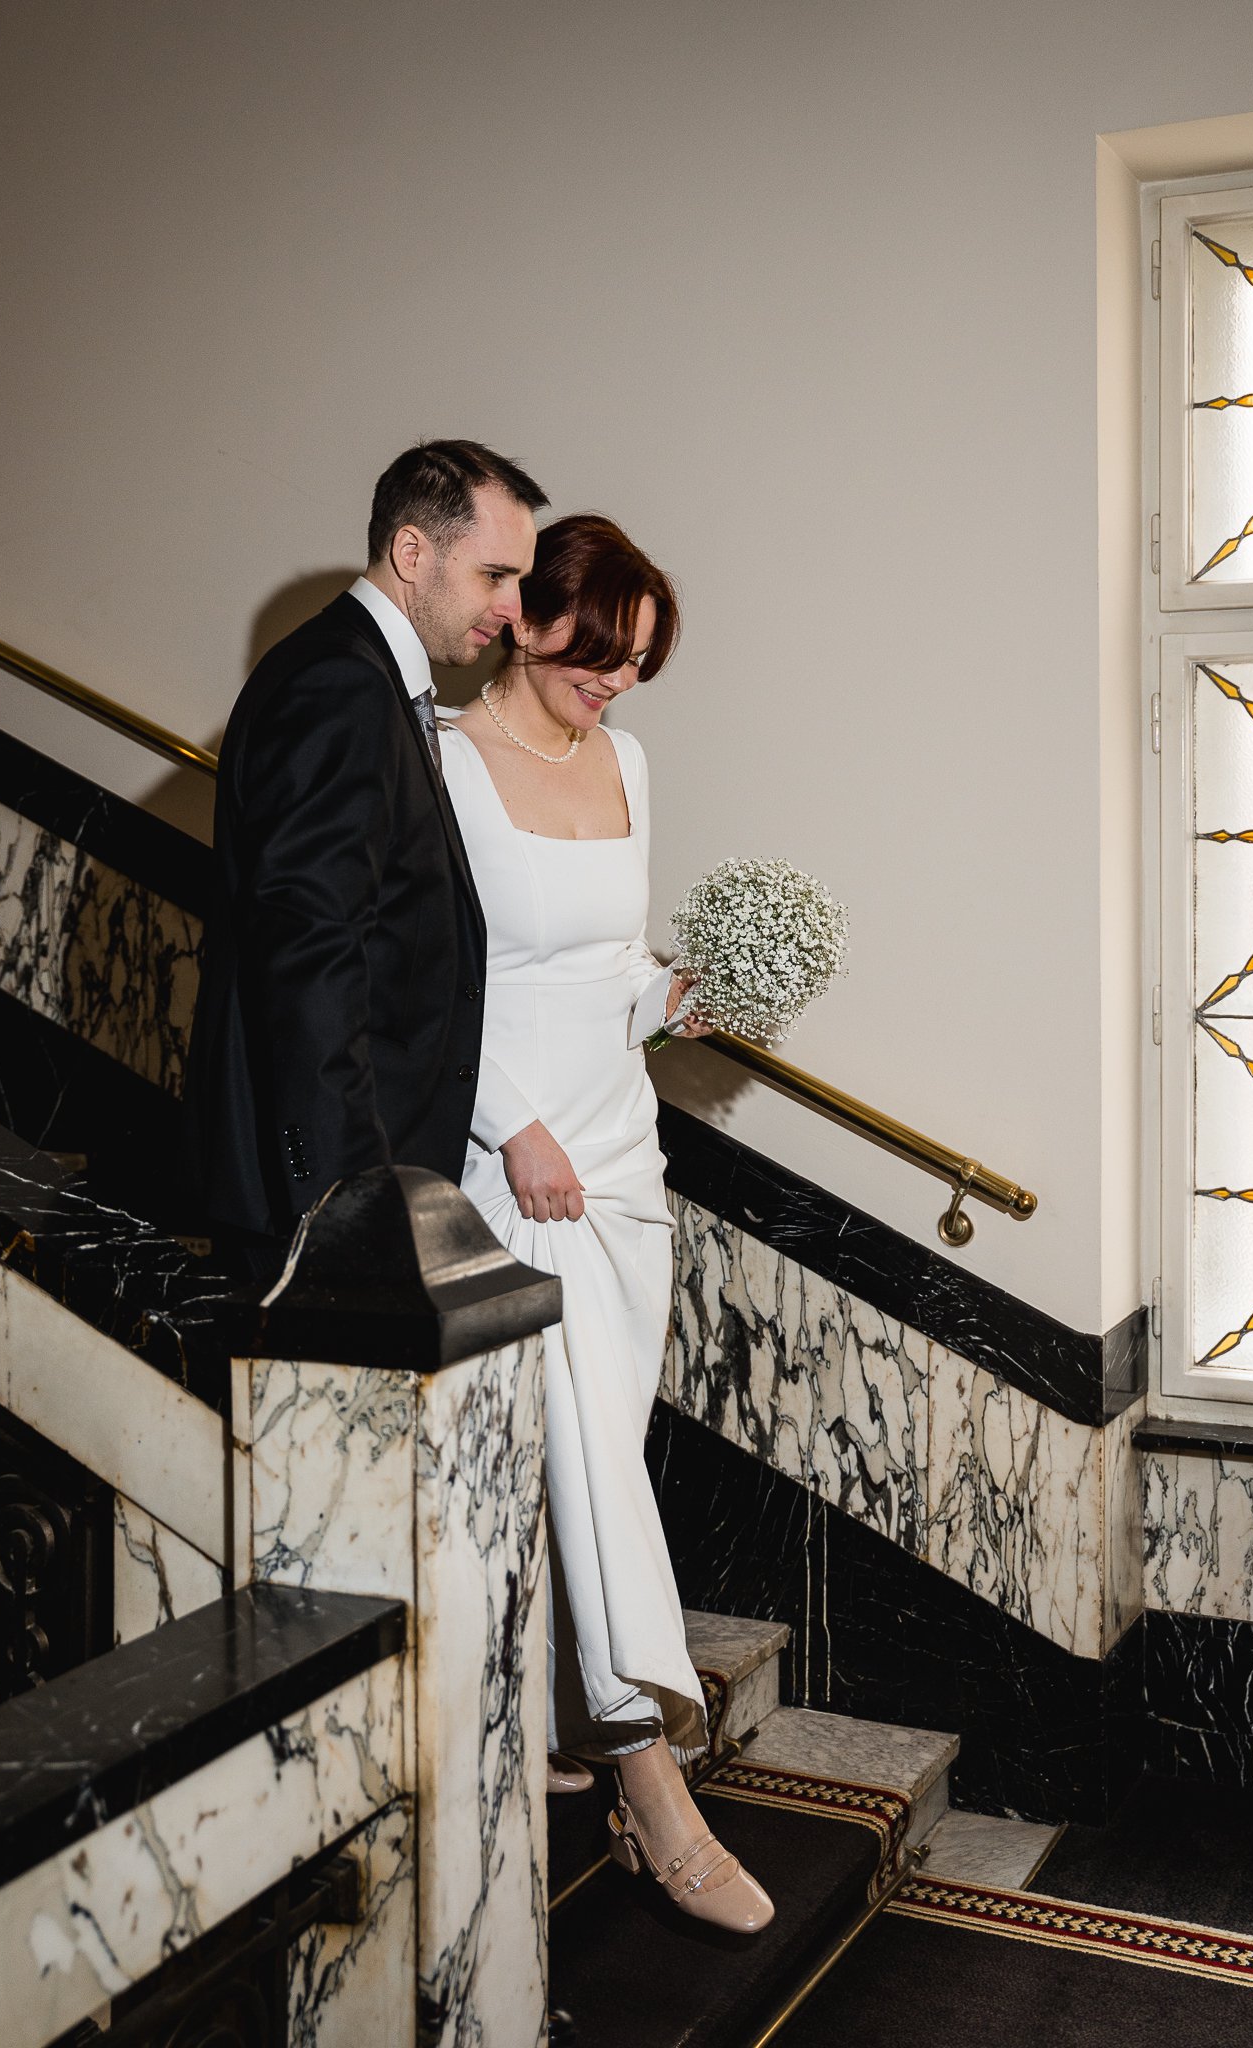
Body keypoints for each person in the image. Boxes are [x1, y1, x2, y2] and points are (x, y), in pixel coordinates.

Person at [441, 513, 774, 1934]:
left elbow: (608, 972)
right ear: (528, 617)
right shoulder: (440, 764)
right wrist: (508, 1124)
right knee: (585, 1465)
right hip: (508, 1162)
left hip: (623, 1164)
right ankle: (651, 1779)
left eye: (638, 663)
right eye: (597, 650)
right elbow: (420, 984)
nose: (616, 682)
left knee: (579, 1459)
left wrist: (676, 997)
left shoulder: (629, 761)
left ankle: (535, 1719)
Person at [184, 440, 545, 1282]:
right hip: (319, 1209)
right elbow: (312, 952)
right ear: (412, 551)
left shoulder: (366, 677)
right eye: (496, 575)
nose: (515, 610)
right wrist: (350, 1205)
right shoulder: (342, 687)